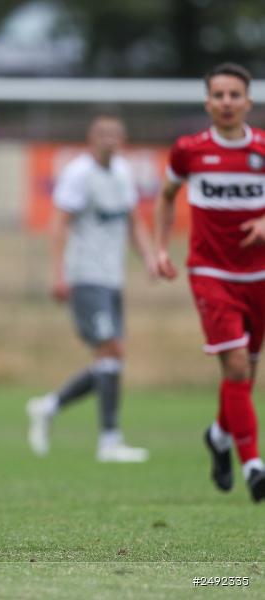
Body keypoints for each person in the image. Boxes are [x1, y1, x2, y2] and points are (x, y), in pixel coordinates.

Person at [155, 62, 265, 502]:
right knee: (235, 366)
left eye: (234, 95)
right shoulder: (189, 150)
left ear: (248, 101)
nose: (226, 102)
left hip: (259, 275)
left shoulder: (262, 148)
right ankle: (254, 465)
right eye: (218, 95)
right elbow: (166, 197)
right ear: (207, 102)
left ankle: (219, 436)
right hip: (211, 273)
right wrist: (161, 249)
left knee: (245, 374)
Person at [27, 115, 156, 462]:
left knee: (111, 357)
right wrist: (58, 274)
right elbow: (59, 223)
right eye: (103, 134)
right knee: (111, 350)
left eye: (115, 135)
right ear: (91, 138)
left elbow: (134, 221)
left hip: (112, 277)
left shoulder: (123, 173)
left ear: (123, 140)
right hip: (85, 275)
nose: (109, 140)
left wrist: (149, 258)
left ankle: (50, 405)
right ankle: (109, 441)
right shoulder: (79, 174)